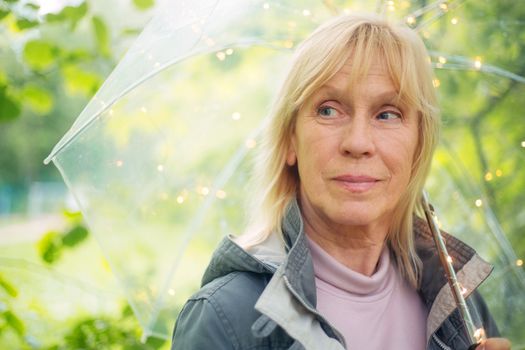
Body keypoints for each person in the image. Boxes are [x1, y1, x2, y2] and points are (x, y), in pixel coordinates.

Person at [171, 13, 511, 350]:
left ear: (418, 146)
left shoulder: (459, 304)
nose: (358, 143)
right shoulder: (225, 318)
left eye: (387, 114)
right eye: (328, 110)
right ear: (290, 138)